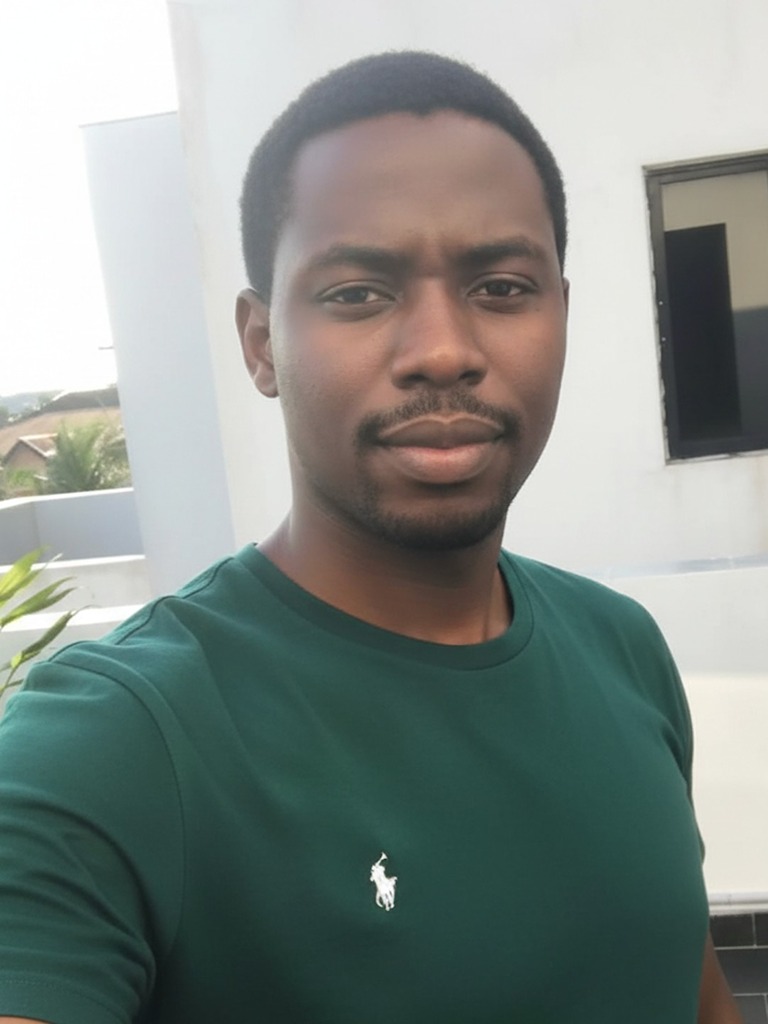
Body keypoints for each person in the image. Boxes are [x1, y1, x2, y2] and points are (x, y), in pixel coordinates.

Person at [0, 51, 741, 1024]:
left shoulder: (622, 648)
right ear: (261, 344)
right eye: (357, 292)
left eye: (502, 286)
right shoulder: (116, 742)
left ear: (562, 315)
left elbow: (688, 986)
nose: (443, 350)